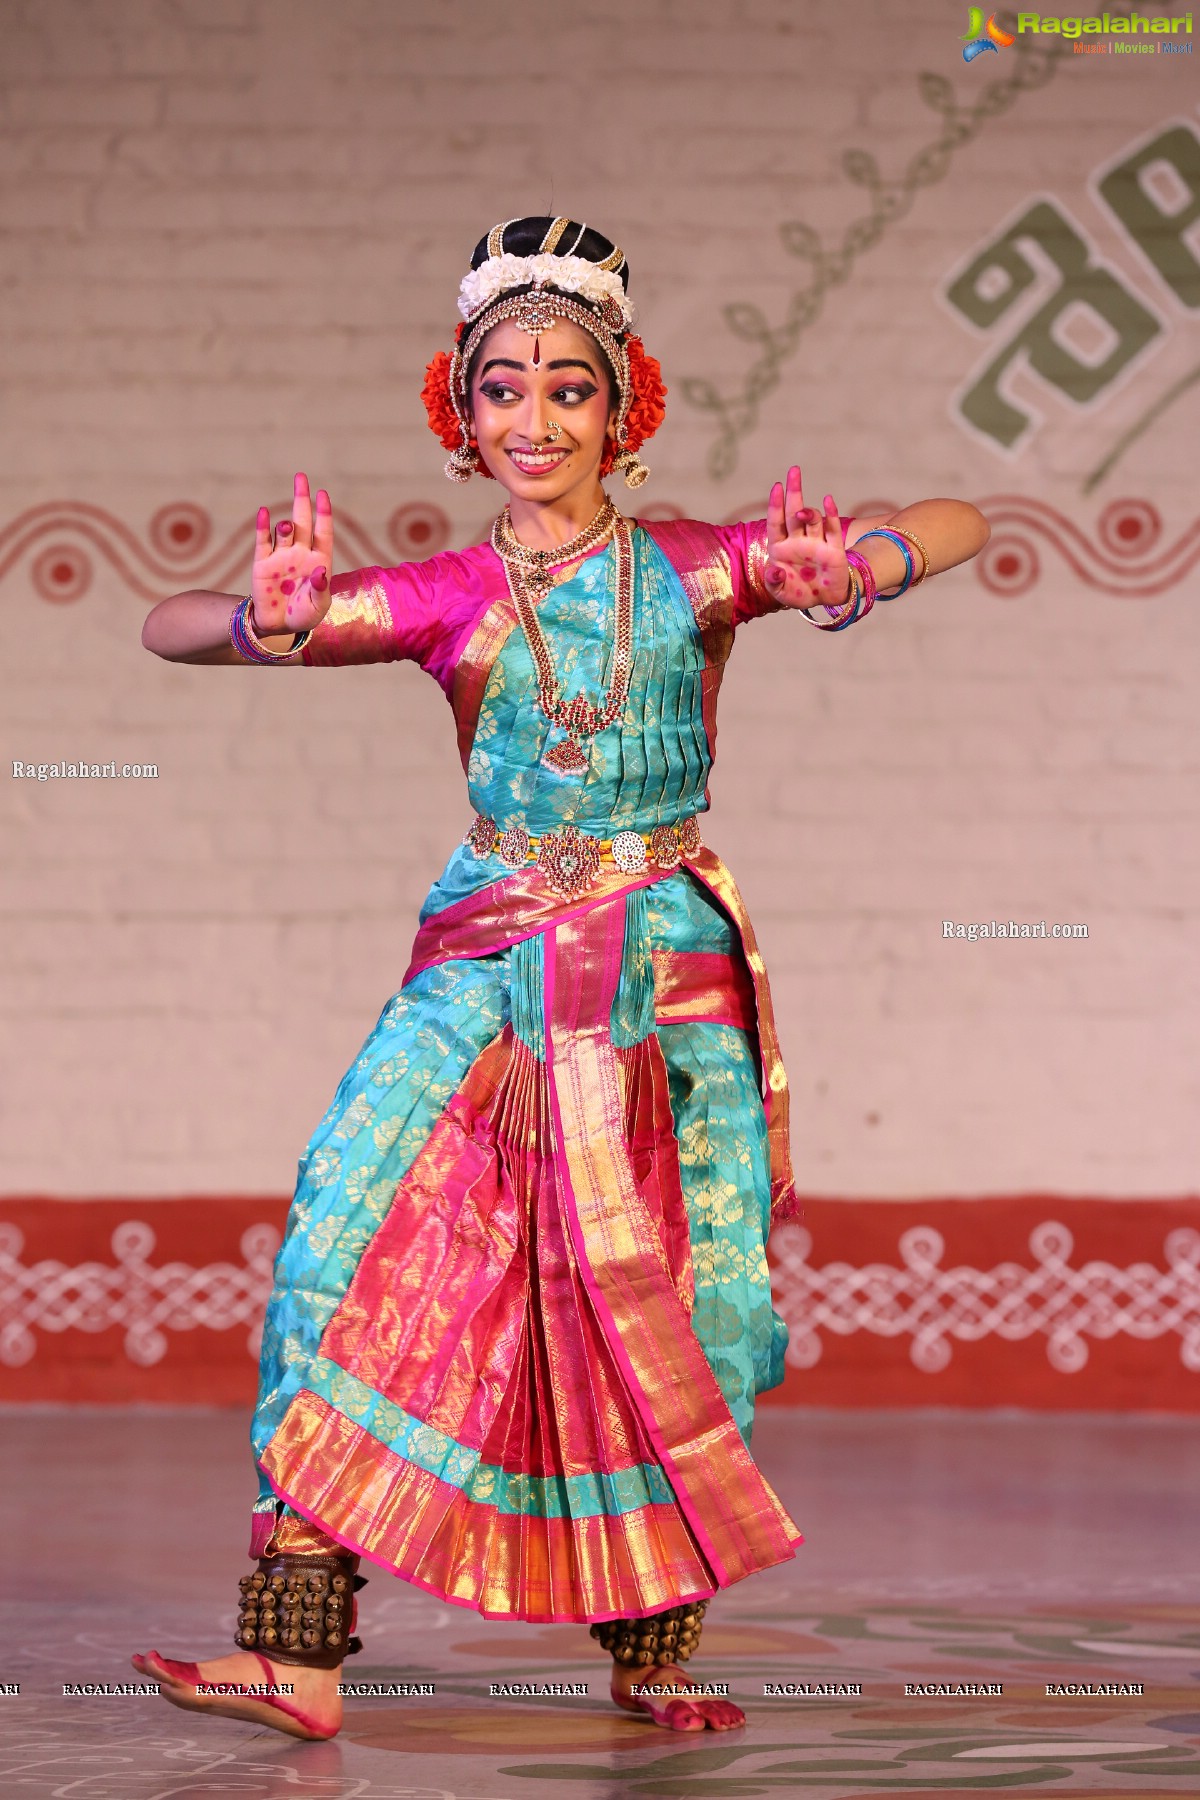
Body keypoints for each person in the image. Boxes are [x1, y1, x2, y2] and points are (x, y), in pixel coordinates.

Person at [133, 215, 990, 1741]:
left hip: (662, 980)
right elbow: (168, 628)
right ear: (460, 422)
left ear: (624, 408)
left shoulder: (704, 568)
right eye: (504, 391)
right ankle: (296, 1652)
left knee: (669, 1294)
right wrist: (257, 621)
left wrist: (853, 569)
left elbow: (963, 520)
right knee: (340, 1247)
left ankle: (652, 1649)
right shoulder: (450, 594)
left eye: (569, 388)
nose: (536, 420)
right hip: (485, 968)